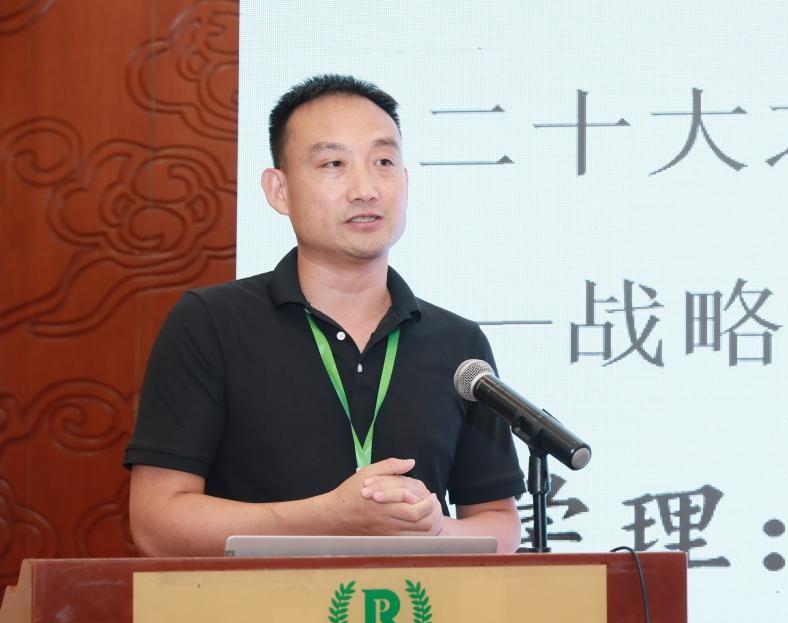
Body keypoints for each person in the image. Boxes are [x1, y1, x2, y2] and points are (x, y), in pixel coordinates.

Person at [125, 75, 523, 556]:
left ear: (405, 180)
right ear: (279, 190)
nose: (365, 189)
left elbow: (498, 521)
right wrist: (329, 519)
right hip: (255, 605)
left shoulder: (458, 345)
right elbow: (156, 522)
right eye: (334, 163)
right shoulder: (210, 323)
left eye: (383, 162)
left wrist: (433, 530)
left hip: (420, 606)